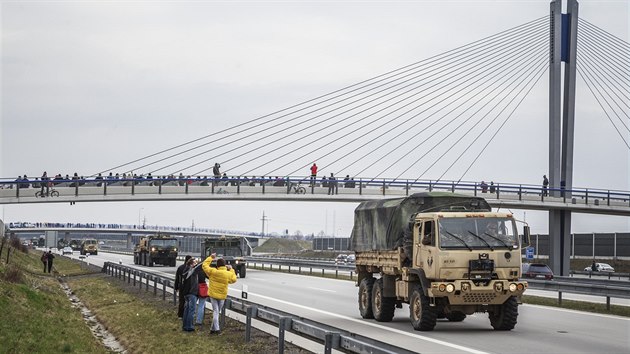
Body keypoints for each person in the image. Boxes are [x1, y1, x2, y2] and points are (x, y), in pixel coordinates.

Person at [202, 256, 237, 335]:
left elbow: (204, 265)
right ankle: (217, 330)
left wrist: (211, 257)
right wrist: (231, 269)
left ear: (217, 265)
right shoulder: (228, 274)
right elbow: (234, 279)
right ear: (225, 265)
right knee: (217, 312)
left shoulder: (213, 271)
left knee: (216, 312)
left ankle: (212, 329)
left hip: (213, 295)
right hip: (222, 296)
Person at [181, 257, 199, 332]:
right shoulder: (191, 271)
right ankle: (189, 327)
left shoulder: (185, 270)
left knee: (187, 310)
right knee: (191, 310)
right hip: (192, 293)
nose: (196, 264)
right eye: (195, 263)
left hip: (186, 293)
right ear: (191, 264)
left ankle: (185, 326)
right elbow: (200, 266)